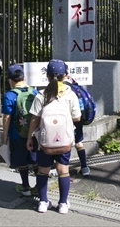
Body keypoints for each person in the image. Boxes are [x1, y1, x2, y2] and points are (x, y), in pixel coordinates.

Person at [27, 59, 81, 215]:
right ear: (65, 75)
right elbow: (77, 117)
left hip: (45, 140)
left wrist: (30, 137)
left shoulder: (41, 95)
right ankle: (63, 204)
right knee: (63, 169)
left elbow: (35, 119)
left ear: (47, 76)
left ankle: (43, 202)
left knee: (43, 170)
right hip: (64, 139)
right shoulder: (71, 94)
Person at [2, 64, 38, 196]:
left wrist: (4, 135)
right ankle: (39, 186)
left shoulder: (9, 95)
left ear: (10, 80)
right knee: (35, 159)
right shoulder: (34, 92)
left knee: (21, 159)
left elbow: (6, 117)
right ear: (24, 77)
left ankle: (25, 186)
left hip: (17, 133)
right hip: (34, 133)